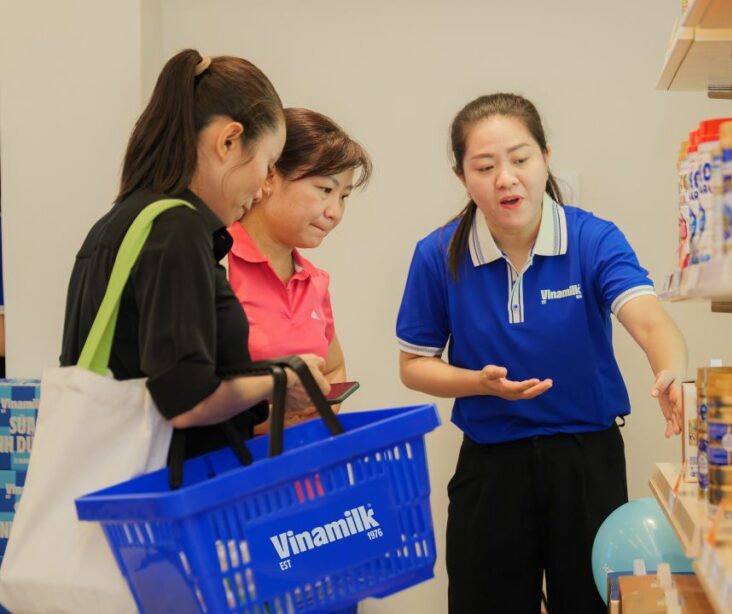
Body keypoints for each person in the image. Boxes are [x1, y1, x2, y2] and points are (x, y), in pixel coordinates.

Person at [395, 93, 688, 613]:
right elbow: (414, 366)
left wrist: (671, 372)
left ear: (545, 157)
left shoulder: (591, 238)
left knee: (590, 604)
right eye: (484, 167)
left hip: (585, 460)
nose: (505, 178)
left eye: (520, 159)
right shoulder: (438, 254)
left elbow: (648, 318)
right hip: (490, 465)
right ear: (462, 176)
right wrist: (477, 383)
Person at [60, 49, 329, 459]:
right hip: (176, 486)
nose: (262, 188)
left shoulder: (119, 223)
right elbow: (185, 398)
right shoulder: (178, 229)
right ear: (229, 141)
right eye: (268, 164)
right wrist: (283, 381)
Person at [226, 107, 371, 430]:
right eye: (325, 190)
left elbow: (333, 369)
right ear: (269, 176)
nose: (335, 212)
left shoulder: (314, 281)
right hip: (234, 460)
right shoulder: (218, 264)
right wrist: (270, 424)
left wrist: (317, 413)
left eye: (344, 197)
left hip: (305, 460)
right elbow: (191, 394)